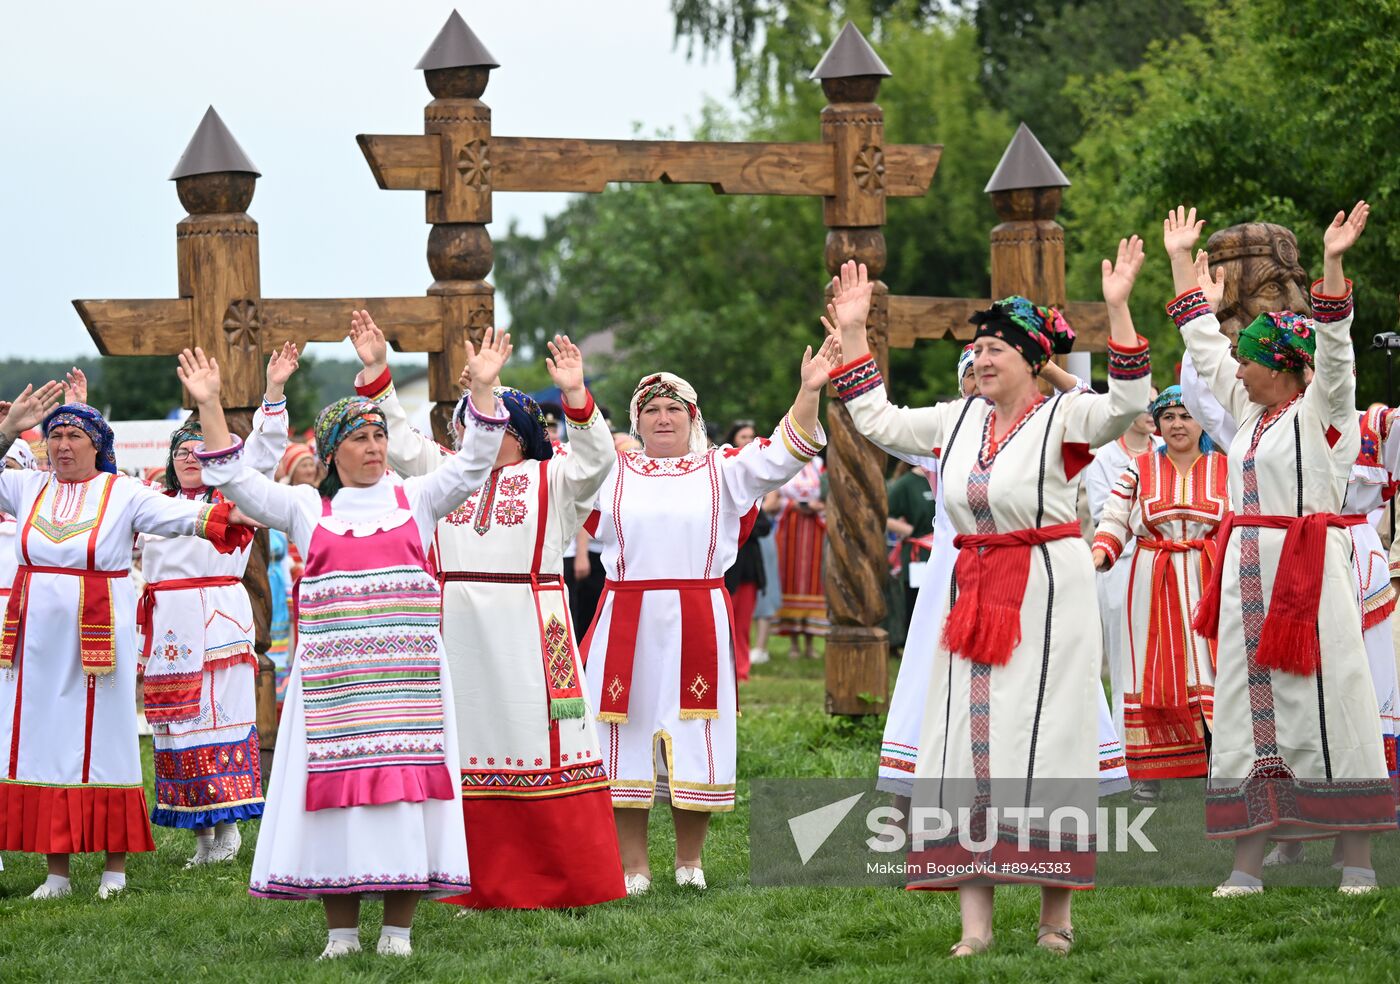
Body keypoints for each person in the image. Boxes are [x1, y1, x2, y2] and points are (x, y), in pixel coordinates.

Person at [826, 239, 1152, 955]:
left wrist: (1120, 305)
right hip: (972, 594)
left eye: (997, 349)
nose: (980, 359)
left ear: (1033, 361)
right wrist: (853, 332)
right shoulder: (955, 419)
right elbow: (876, 419)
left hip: (1048, 596)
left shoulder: (1065, 420)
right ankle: (975, 929)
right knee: (970, 750)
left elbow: (1129, 403)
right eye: (976, 350)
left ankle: (1055, 921)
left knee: (1048, 745)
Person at [181, 331, 509, 959]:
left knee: (407, 800)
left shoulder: (418, 498)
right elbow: (239, 487)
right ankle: (339, 934)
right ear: (331, 453)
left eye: (379, 436)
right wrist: (212, 405)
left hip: (408, 688)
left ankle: (397, 932)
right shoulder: (310, 508)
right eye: (359, 438)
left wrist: (486, 384)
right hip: (335, 693)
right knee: (336, 805)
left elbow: (472, 465)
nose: (374, 447)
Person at [345, 311, 624, 910]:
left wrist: (575, 393)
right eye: (474, 421)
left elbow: (598, 459)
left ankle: (554, 878)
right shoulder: (445, 472)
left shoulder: (553, 478)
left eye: (495, 423)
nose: (483, 431)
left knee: (535, 736)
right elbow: (395, 436)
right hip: (455, 625)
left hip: (529, 620)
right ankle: (455, 876)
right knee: (457, 738)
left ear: (521, 433)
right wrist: (375, 369)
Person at [1164, 202, 1396, 896]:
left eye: (1251, 359)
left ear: (1285, 368)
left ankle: (1356, 859)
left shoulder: (1324, 410)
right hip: (1247, 582)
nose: (1237, 368)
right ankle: (1247, 865)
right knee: (1245, 708)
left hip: (1313, 574)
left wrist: (1332, 263)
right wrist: (1181, 263)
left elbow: (1337, 352)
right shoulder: (1249, 415)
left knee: (1335, 704)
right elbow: (1206, 351)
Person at [582, 342, 834, 895]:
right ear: (637, 420)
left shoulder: (722, 469)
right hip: (627, 617)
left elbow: (785, 452)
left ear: (692, 417)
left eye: (674, 408)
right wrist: (576, 396)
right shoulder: (611, 472)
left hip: (697, 612)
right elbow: (567, 465)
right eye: (651, 409)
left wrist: (809, 390)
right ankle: (634, 866)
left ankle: (689, 862)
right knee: (622, 734)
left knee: (695, 731)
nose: (663, 417)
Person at [0, 384, 254, 900]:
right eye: (55, 436)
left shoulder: (123, 492)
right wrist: (7, 430)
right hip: (39, 640)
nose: (63, 445)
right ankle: (58, 874)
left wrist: (225, 517)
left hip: (98, 634)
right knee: (47, 742)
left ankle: (114, 871)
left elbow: (182, 516)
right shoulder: (27, 487)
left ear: (98, 444)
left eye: (74, 435)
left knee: (107, 742)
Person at [140, 341, 301, 865]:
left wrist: (273, 389)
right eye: (180, 451)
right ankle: (200, 836)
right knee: (176, 724)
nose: (189, 455)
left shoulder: (228, 499)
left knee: (218, 716)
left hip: (216, 618)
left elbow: (260, 451)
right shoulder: (155, 505)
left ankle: (228, 825)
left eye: (197, 449)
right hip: (168, 627)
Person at [1091, 387, 1226, 798]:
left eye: (1186, 415)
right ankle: (1148, 772)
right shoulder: (1139, 468)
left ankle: (1220, 765)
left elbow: (1240, 520)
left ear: (1201, 420)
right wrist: (1099, 554)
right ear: (1158, 423)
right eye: (1168, 417)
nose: (1178, 424)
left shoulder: (1225, 467)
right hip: (1153, 579)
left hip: (1209, 579)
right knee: (1152, 670)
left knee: (1211, 669)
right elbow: (1115, 516)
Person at [1085, 387, 1159, 738]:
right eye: (1143, 403)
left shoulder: (1165, 451)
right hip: (1120, 563)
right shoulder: (1103, 457)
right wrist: (1155, 516)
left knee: (1161, 655)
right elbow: (1104, 512)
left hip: (1163, 562)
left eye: (1155, 403)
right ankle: (1122, 745)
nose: (1151, 411)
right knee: (1123, 656)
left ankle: (1168, 744)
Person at [722, 420, 771, 680]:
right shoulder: (722, 473)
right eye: (743, 436)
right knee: (722, 621)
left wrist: (745, 521)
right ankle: (722, 667)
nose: (749, 440)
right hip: (724, 565)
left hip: (748, 564)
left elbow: (764, 526)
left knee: (742, 622)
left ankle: (741, 668)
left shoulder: (757, 480)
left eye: (752, 436)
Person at [773, 454, 828, 657]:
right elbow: (773, 500)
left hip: (815, 529)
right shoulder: (785, 463)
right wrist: (793, 505)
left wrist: (818, 507)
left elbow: (827, 496)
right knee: (790, 578)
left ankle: (810, 642)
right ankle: (794, 642)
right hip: (790, 527)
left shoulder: (820, 467)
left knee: (813, 581)